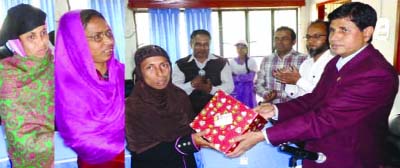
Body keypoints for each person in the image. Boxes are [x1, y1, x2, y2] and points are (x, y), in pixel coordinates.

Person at [227, 2, 399, 168]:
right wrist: (275, 110)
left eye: (344, 30)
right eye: (332, 30)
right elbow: (315, 98)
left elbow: (326, 119)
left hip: (349, 157)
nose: (334, 37)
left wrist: (263, 135)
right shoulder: (339, 61)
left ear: (367, 32)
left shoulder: (376, 73)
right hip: (319, 150)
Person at [55, 9, 125, 167]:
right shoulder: (67, 86)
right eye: (97, 37)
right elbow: (79, 135)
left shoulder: (120, 72)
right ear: (76, 42)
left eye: (108, 33)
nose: (109, 41)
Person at [126, 45, 212, 168]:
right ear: (140, 72)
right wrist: (189, 143)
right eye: (150, 67)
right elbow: (143, 152)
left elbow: (191, 128)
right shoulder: (132, 107)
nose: (160, 73)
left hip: (185, 163)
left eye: (164, 65)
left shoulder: (179, 96)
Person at [0, 4, 54, 167]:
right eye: (32, 37)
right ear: (16, 42)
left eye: (43, 33)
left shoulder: (54, 64)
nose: (42, 42)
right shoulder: (6, 75)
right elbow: (20, 135)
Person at [172, 29, 234, 114]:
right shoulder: (181, 64)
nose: (202, 48)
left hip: (216, 111)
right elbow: (175, 90)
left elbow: (230, 86)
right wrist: (191, 85)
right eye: (198, 44)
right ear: (191, 44)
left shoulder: (221, 62)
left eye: (206, 45)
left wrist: (211, 89)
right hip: (189, 112)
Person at [274, 20, 334, 98]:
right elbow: (297, 95)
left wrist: (298, 80)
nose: (310, 41)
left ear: (330, 37)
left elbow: (325, 95)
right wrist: (289, 80)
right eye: (308, 37)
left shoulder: (334, 62)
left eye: (316, 36)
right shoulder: (306, 63)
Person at [255, 26, 307, 104]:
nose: (280, 42)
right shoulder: (266, 60)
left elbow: (304, 88)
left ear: (294, 41)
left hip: (295, 109)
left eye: (284, 39)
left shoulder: (304, 60)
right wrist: (266, 94)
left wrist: (278, 94)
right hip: (270, 109)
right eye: (277, 38)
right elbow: (258, 84)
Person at [229, 40, 257, 108]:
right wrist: (243, 77)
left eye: (242, 48)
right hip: (236, 89)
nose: (240, 50)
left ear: (246, 49)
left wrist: (237, 78)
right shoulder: (232, 61)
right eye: (238, 48)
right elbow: (230, 77)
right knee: (236, 107)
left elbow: (250, 77)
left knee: (249, 107)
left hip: (248, 90)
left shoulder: (251, 61)